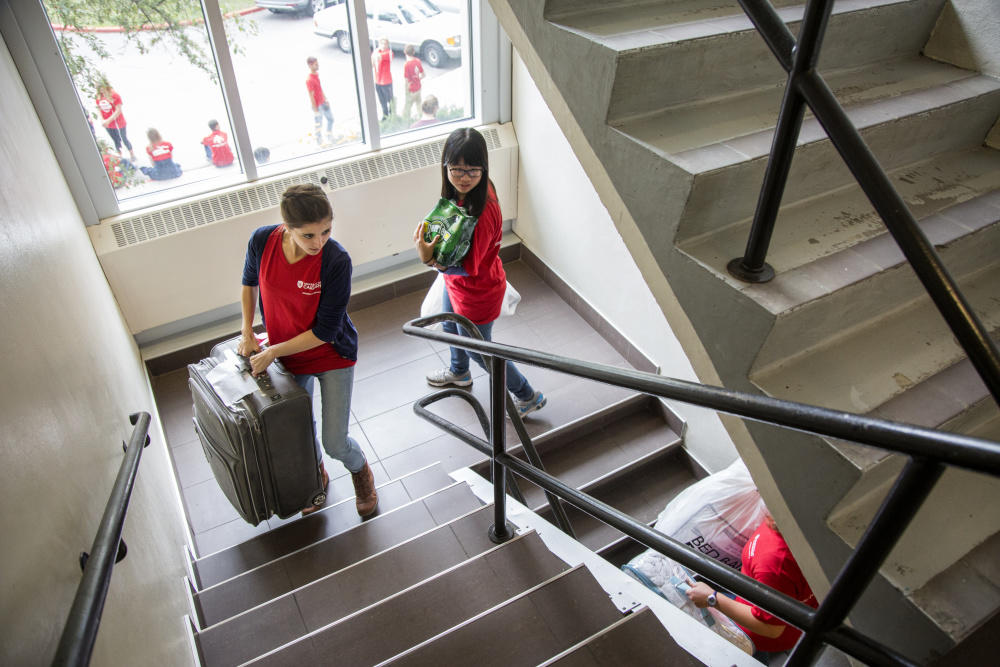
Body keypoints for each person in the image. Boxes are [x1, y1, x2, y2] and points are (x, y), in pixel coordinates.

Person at [238, 184, 378, 517]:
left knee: (334, 441)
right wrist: (247, 330)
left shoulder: (336, 260)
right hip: (288, 358)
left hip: (331, 355)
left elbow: (325, 332)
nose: (319, 243)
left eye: (326, 231)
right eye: (308, 235)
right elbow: (248, 282)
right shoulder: (262, 241)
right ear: (286, 228)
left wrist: (271, 351)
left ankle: (362, 473)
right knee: (299, 435)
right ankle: (315, 476)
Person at [413, 128, 547, 418]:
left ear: (484, 168)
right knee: (450, 325)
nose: (463, 178)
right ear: (445, 166)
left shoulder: (483, 212)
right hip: (457, 285)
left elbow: (470, 267)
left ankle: (526, 395)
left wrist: (430, 259)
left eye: (472, 170)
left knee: (481, 351)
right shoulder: (471, 192)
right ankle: (459, 373)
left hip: (478, 291)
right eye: (456, 169)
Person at [686, 515, 818, 662]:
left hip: (758, 632)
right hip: (755, 601)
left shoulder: (774, 565)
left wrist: (712, 598)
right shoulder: (783, 525)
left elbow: (771, 628)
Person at [95, 80, 136, 161]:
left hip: (119, 123)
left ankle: (132, 154)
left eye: (102, 88)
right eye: (99, 89)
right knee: (116, 140)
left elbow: (118, 110)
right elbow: (99, 108)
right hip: (108, 124)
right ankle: (120, 157)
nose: (101, 90)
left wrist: (108, 120)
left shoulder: (114, 95)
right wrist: (102, 120)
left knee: (124, 139)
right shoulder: (98, 96)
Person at [306, 56, 335, 146]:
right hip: (318, 106)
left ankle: (328, 134)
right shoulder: (309, 80)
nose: (318, 66)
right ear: (310, 65)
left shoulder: (316, 75)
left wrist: (325, 99)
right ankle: (319, 141)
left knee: (331, 119)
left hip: (323, 102)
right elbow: (311, 95)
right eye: (316, 65)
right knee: (319, 124)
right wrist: (315, 110)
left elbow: (320, 88)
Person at [372, 38, 394, 120]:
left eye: (385, 44)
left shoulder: (389, 53)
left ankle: (392, 115)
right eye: (381, 43)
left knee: (390, 101)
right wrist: (374, 54)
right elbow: (372, 63)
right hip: (378, 81)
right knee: (382, 101)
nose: (383, 46)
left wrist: (375, 53)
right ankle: (385, 115)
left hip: (386, 81)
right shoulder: (377, 52)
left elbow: (378, 57)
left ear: (387, 45)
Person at [401, 44, 424, 121]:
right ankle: (421, 118)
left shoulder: (406, 65)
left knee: (407, 108)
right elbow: (423, 74)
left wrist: (406, 91)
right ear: (413, 52)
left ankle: (406, 121)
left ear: (405, 52)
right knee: (419, 105)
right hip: (418, 87)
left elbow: (406, 80)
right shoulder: (417, 61)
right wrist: (418, 78)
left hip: (411, 90)